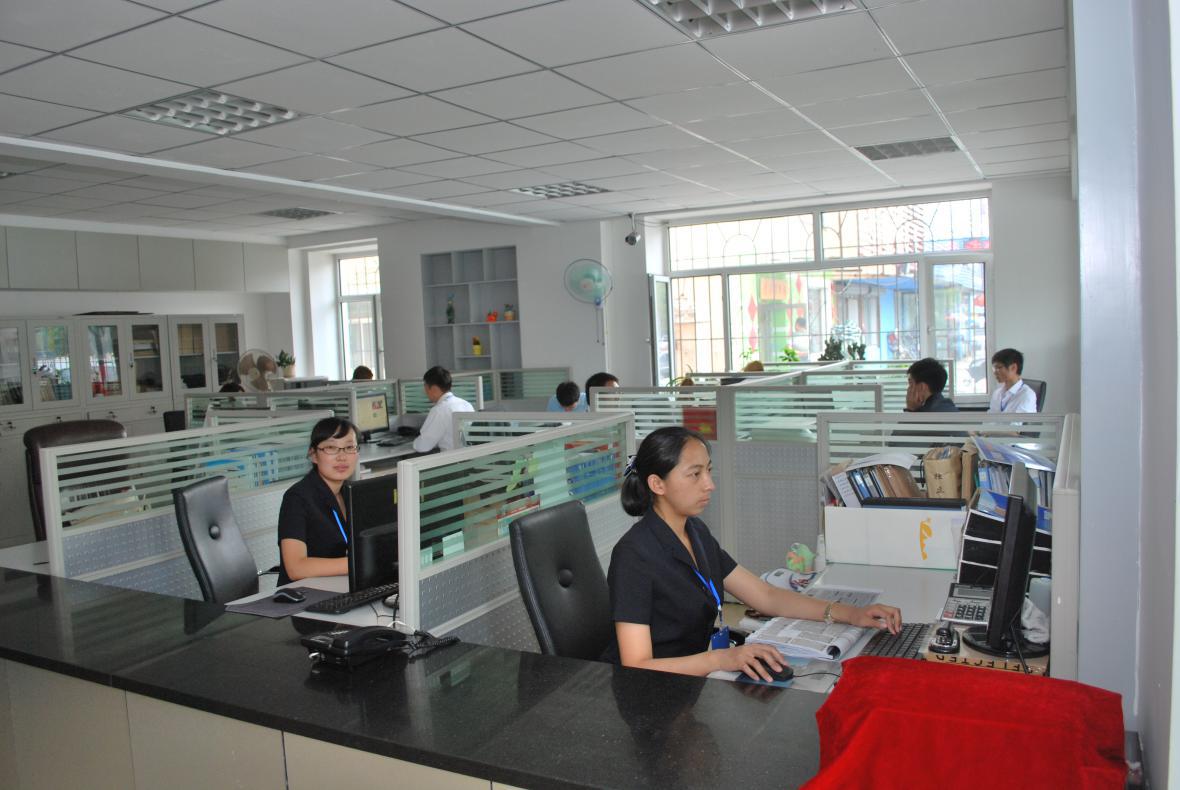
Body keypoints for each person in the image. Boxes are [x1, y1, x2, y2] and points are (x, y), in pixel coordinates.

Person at [604, 426, 901, 680]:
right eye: (694, 474)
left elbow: (765, 596)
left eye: (708, 471)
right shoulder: (635, 555)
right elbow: (636, 665)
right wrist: (721, 659)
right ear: (657, 484)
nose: (710, 484)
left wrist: (850, 614)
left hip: (689, 683)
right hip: (647, 695)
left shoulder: (695, 532)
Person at [276, 417, 358, 585]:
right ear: (313, 455)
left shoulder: (352, 492)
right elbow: (296, 568)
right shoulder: (297, 498)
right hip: (303, 593)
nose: (342, 457)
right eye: (331, 448)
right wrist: (359, 563)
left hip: (340, 585)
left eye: (349, 447)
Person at [413, 366, 474, 453]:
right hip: (469, 457)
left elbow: (423, 446)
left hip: (452, 459)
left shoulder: (439, 410)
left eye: (425, 387)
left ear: (434, 388)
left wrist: (414, 443)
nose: (425, 392)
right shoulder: (466, 404)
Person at [988, 348, 1037, 413]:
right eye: (994, 368)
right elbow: (990, 417)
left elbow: (1018, 420)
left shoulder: (1027, 395)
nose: (995, 372)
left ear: (1013, 368)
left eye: (999, 367)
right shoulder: (997, 393)